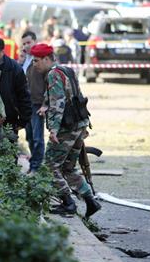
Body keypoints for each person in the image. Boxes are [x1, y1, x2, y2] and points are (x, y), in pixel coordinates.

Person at [31, 43, 101, 218]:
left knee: (50, 165)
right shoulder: (66, 70)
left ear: (47, 59)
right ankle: (91, 201)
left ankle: (68, 203)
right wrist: (45, 106)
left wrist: (53, 129)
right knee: (68, 167)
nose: (34, 64)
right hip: (79, 124)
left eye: (36, 61)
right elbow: (68, 96)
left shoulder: (53, 75)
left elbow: (58, 103)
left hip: (66, 128)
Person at [21, 31, 46, 173]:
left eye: (28, 42)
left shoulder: (40, 58)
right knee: (29, 136)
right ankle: (34, 164)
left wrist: (45, 103)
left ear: (35, 41)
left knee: (37, 137)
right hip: (27, 103)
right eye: (24, 43)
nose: (26, 46)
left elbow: (49, 82)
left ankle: (36, 167)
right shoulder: (26, 59)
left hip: (38, 103)